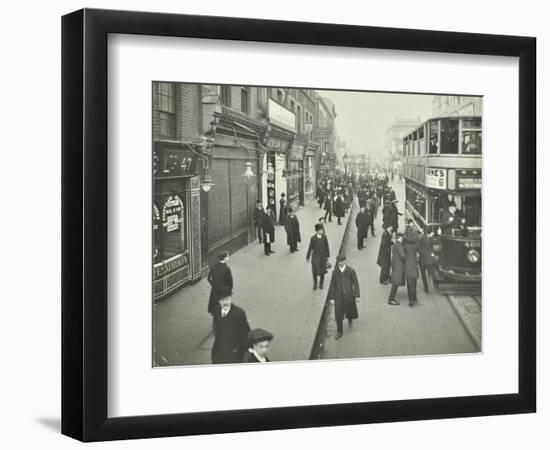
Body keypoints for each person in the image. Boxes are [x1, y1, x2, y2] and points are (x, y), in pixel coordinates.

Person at [211, 286, 250, 364]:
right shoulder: (216, 311)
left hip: (234, 352)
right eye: (222, 300)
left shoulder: (239, 313)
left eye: (227, 299)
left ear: (231, 298)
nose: (225, 302)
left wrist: (239, 349)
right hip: (219, 350)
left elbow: (245, 333)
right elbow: (216, 327)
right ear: (218, 301)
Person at [328, 255, 360, 340]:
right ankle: (339, 331)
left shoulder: (351, 271)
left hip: (349, 295)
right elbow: (332, 285)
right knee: (338, 314)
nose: (340, 264)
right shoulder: (335, 272)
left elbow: (356, 283)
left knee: (349, 310)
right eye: (339, 262)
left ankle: (350, 318)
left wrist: (357, 296)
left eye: (342, 262)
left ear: (345, 261)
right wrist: (331, 298)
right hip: (338, 296)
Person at [207, 251, 233, 316]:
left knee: (215, 304)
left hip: (215, 290)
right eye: (227, 256)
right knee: (223, 306)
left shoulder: (214, 267)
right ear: (224, 258)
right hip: (224, 291)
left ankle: (215, 318)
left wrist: (214, 284)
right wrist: (229, 290)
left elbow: (209, 278)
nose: (228, 258)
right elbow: (230, 282)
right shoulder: (227, 269)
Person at [306, 223, 331, 290]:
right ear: (317, 231)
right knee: (314, 271)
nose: (322, 231)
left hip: (323, 257)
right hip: (315, 257)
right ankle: (315, 284)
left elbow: (327, 246)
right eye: (320, 230)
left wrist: (327, 256)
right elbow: (310, 248)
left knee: (322, 271)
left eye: (322, 230)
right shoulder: (313, 238)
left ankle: (321, 284)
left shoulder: (324, 237)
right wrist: (308, 257)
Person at [403, 225, 420, 307]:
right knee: (414, 283)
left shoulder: (405, 246)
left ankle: (411, 301)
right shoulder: (416, 245)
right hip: (414, 266)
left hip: (407, 266)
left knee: (409, 285)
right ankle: (415, 297)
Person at [388, 233, 405, 306]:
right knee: (396, 283)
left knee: (395, 282)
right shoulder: (399, 245)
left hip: (395, 264)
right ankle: (391, 299)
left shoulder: (395, 244)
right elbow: (403, 256)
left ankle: (391, 299)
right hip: (398, 266)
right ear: (400, 238)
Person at [418, 226, 436, 294]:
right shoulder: (431, 239)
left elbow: (418, 246)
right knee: (430, 272)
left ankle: (426, 288)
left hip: (422, 260)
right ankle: (431, 285)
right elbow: (436, 242)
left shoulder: (421, 238)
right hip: (429, 259)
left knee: (423, 274)